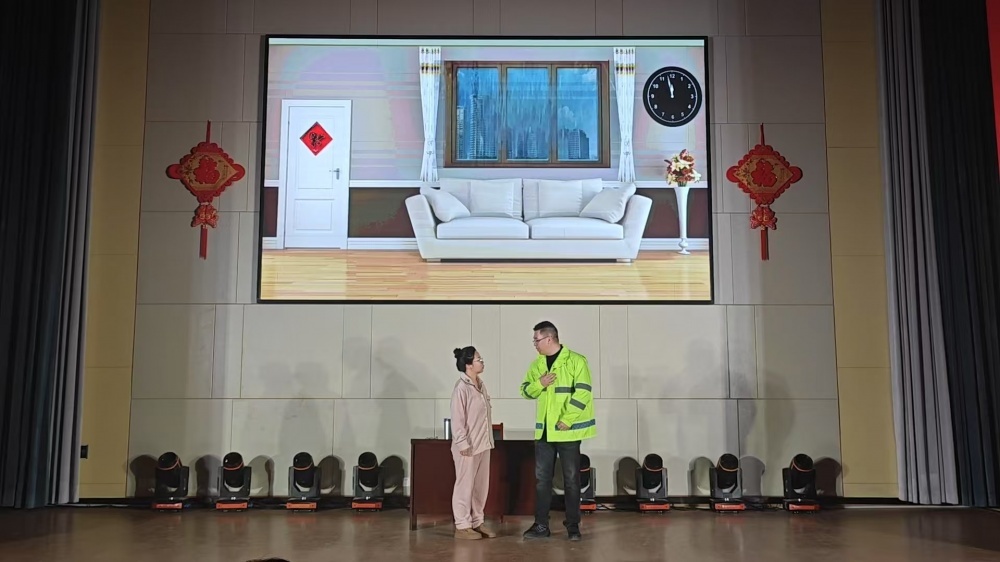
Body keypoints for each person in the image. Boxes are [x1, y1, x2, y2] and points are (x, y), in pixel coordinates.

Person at [519, 321, 596, 541]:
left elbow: (583, 393)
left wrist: (567, 419)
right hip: (545, 434)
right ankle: (541, 525)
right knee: (542, 481)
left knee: (571, 480)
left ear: (549, 338)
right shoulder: (537, 365)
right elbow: (525, 391)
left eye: (536, 340)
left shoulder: (576, 361)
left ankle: (573, 526)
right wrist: (540, 384)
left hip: (567, 432)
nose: (534, 344)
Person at [449, 345, 497, 540]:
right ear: (468, 364)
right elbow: (457, 419)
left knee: (480, 486)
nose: (482, 361)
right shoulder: (461, 388)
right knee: (464, 486)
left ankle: (477, 522)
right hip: (467, 447)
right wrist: (463, 444)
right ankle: (462, 526)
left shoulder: (481, 385)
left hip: (483, 444)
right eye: (478, 359)